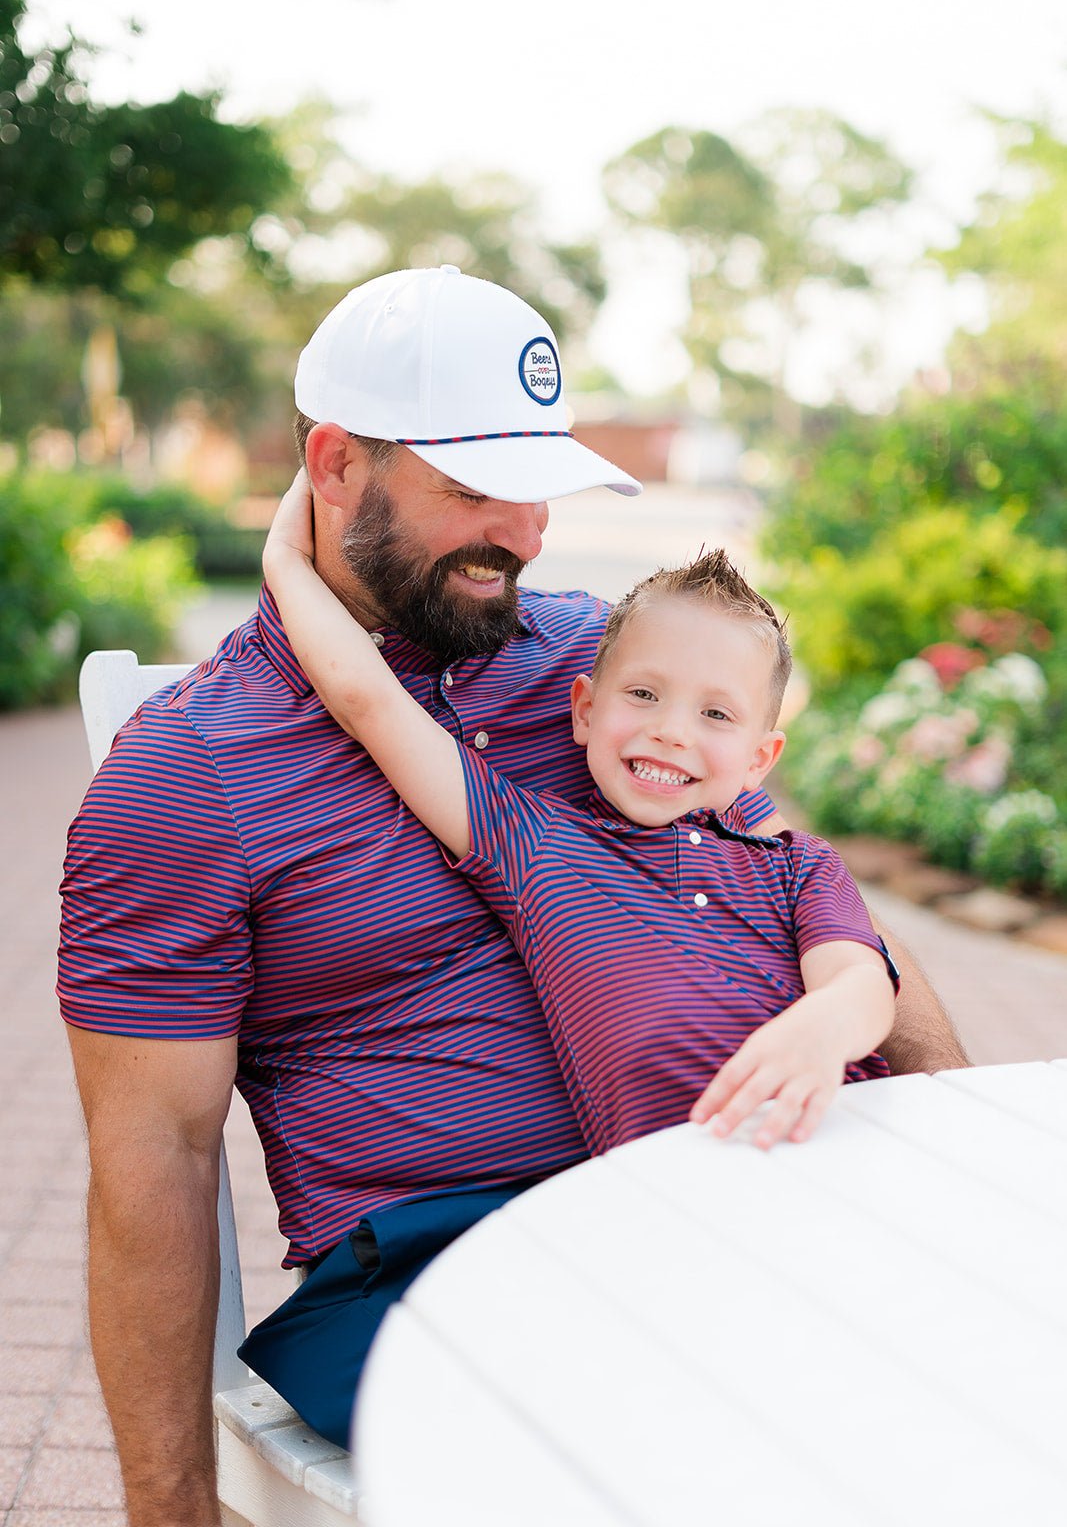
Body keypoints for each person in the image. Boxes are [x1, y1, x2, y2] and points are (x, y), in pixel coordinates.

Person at [58, 266, 968, 1514]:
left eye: (537, 489)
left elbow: (794, 896)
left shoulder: (613, 671)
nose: (527, 534)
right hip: (434, 1271)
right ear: (334, 466)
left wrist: (952, 1173)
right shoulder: (186, 776)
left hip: (694, 1203)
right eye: (475, 490)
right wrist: (169, 1511)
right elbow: (153, 1158)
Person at [262, 478, 897, 1159]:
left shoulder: (797, 864)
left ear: (758, 760)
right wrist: (285, 563)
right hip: (680, 1187)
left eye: (715, 714)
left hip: (854, 1144)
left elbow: (860, 981)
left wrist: (823, 1029)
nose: (671, 732)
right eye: (644, 694)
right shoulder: (533, 844)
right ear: (585, 710)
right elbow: (369, 702)